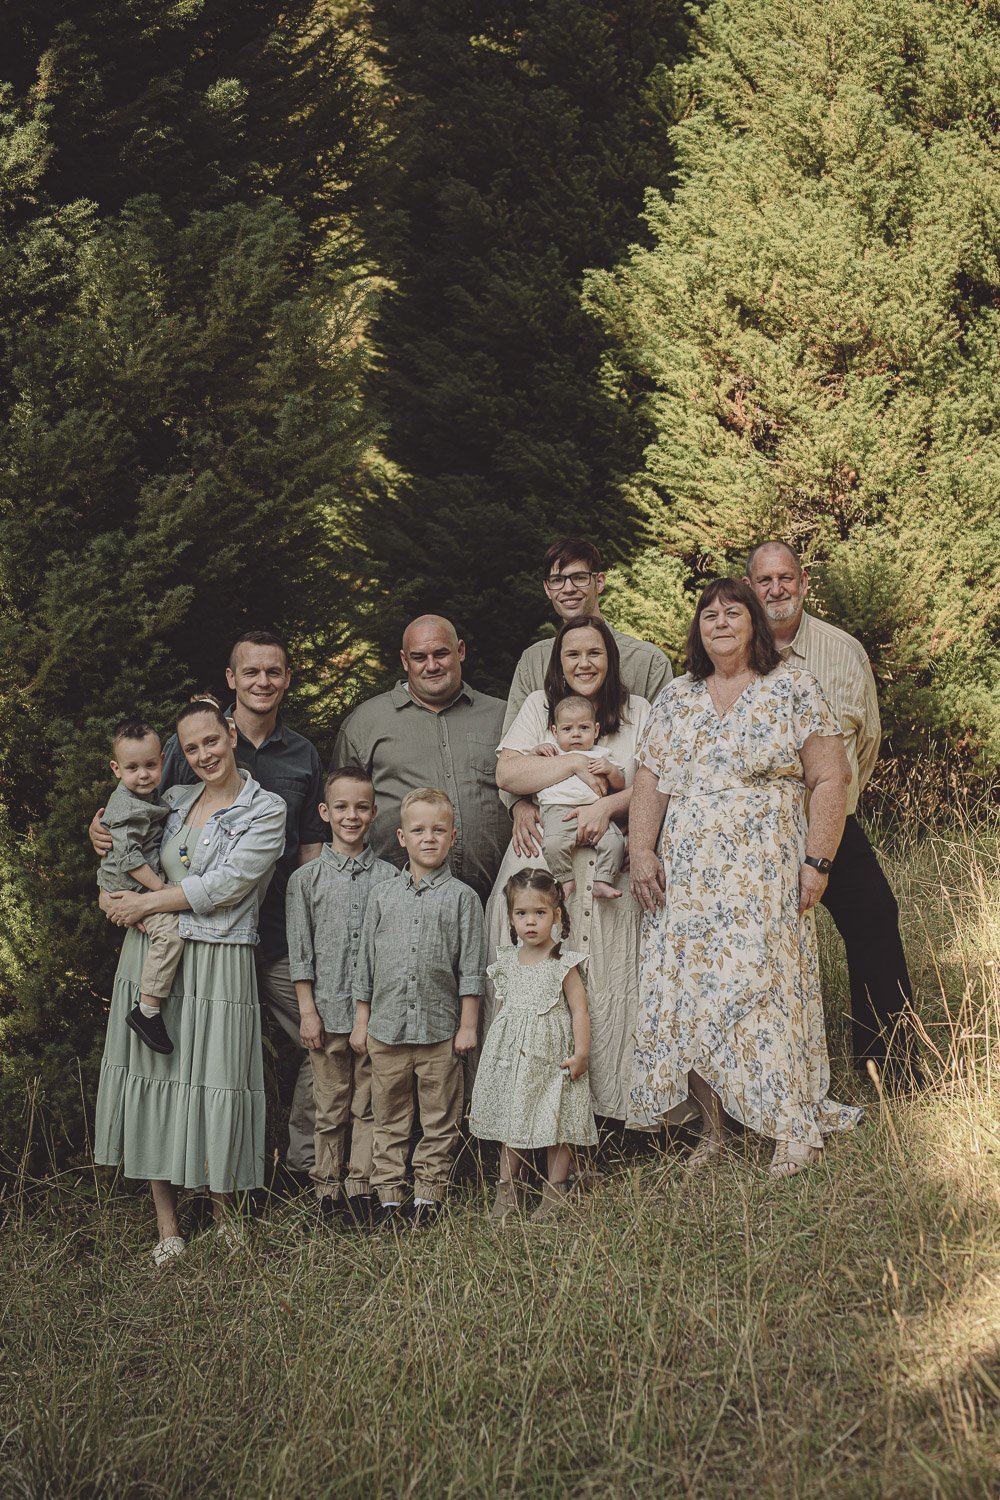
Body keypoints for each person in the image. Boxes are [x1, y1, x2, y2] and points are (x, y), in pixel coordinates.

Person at [629, 579, 863, 1176]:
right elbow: (651, 780)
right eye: (708, 614)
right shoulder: (677, 698)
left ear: (755, 624)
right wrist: (641, 851)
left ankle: (792, 1128)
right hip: (688, 882)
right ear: (697, 630)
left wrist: (818, 860)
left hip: (764, 873)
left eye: (734, 612)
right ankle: (714, 1133)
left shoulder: (791, 687)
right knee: (696, 997)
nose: (720, 622)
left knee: (765, 990)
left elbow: (830, 779)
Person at [90, 630, 327, 1175]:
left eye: (274, 671)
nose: (262, 681)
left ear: (287, 679)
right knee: (178, 1071)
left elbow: (307, 851)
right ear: (231, 680)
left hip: (266, 931)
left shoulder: (300, 758)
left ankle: (309, 1170)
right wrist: (102, 836)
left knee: (318, 1041)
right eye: (251, 671)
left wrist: (144, 905)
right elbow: (140, 809)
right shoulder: (181, 759)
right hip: (185, 939)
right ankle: (179, 1196)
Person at [93, 697, 286, 1265]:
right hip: (154, 959)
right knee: (158, 1082)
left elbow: (224, 887)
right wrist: (99, 833)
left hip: (220, 961)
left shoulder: (264, 810)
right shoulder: (173, 800)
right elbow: (121, 821)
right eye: (192, 747)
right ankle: (167, 1226)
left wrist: (144, 900)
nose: (204, 754)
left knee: (217, 1081)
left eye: (212, 740)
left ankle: (226, 1215)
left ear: (230, 735)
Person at [744, 541, 922, 1088]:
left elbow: (863, 743)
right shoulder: (732, 648)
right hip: (756, 836)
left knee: (874, 919)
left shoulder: (842, 651)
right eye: (764, 580)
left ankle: (886, 1067)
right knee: (752, 948)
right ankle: (761, 1078)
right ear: (750, 587)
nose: (776, 590)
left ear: (803, 582)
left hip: (830, 826)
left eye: (786, 578)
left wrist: (831, 808)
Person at [490, 616, 650, 1121]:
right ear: (558, 661)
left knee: (610, 980)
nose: (584, 663)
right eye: (572, 654)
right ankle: (530, 1107)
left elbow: (656, 782)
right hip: (545, 860)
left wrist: (607, 806)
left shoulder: (638, 711)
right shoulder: (541, 707)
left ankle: (610, 1110)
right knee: (541, 978)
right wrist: (571, 765)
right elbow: (509, 771)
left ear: (611, 658)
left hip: (610, 864)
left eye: (595, 653)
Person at [350, 788, 485, 1228]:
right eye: (419, 830)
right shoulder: (382, 896)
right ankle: (389, 1196)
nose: (429, 838)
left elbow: (470, 969)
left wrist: (467, 1026)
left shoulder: (464, 898)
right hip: (386, 1032)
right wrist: (361, 1023)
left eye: (438, 830)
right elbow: (365, 964)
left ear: (453, 837)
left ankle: (428, 1195)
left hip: (440, 1032)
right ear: (402, 837)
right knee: (388, 1117)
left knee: (439, 1118)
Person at [503, 538, 672, 861]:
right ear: (547, 588)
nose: (568, 588)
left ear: (599, 582)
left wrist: (630, 823)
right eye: (557, 580)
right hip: (549, 830)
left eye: (579, 577)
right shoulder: (532, 663)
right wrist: (519, 805)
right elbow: (511, 760)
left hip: (620, 836)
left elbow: (662, 768)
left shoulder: (648, 662)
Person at [286, 765, 398, 1224]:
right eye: (341, 807)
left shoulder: (392, 879)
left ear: (374, 813)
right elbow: (301, 954)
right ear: (324, 812)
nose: (350, 816)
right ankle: (326, 1190)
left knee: (369, 1104)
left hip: (374, 1019)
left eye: (361, 808)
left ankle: (361, 1188)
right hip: (327, 1014)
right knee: (329, 1106)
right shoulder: (306, 881)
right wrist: (307, 1013)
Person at [331, 615, 508, 903]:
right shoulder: (366, 723)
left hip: (499, 900)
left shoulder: (502, 717)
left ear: (460, 651)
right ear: (404, 661)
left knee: (502, 952)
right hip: (397, 904)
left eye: (441, 653)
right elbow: (342, 817)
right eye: (419, 657)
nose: (432, 666)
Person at [470, 869, 597, 1222]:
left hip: (553, 1060)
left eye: (539, 914)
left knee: (556, 1123)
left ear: (556, 915)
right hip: (515, 1061)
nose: (530, 922)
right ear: (510, 918)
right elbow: (502, 1010)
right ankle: (508, 1191)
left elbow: (580, 1010)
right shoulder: (508, 962)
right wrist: (497, 1054)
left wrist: (581, 1053)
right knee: (514, 1120)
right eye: (521, 914)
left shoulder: (563, 964)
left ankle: (555, 1193)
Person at [97, 720, 181, 1055]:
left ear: (162, 759)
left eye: (150, 765)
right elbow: (130, 858)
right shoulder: (127, 806)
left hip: (130, 885)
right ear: (116, 769)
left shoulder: (148, 797)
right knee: (170, 934)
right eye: (132, 768)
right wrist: (161, 890)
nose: (143, 774)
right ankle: (147, 1011)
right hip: (131, 888)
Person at [533, 694, 626, 901]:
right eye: (567, 729)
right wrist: (535, 751)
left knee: (616, 841)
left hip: (596, 812)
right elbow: (528, 772)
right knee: (553, 843)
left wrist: (610, 770)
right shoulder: (552, 753)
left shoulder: (601, 755)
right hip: (558, 810)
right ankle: (565, 879)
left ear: (596, 730)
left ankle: (602, 881)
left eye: (584, 728)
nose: (576, 734)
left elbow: (620, 784)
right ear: (555, 732)